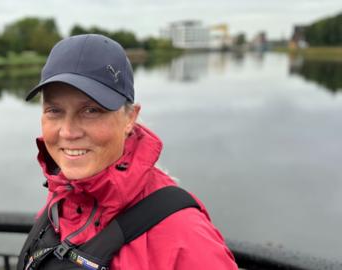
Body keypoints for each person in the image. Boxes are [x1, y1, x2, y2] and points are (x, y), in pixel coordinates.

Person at [17, 34, 238, 270]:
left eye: (91, 110)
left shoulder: (183, 235)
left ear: (130, 118)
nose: (68, 132)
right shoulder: (64, 193)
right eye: (54, 110)